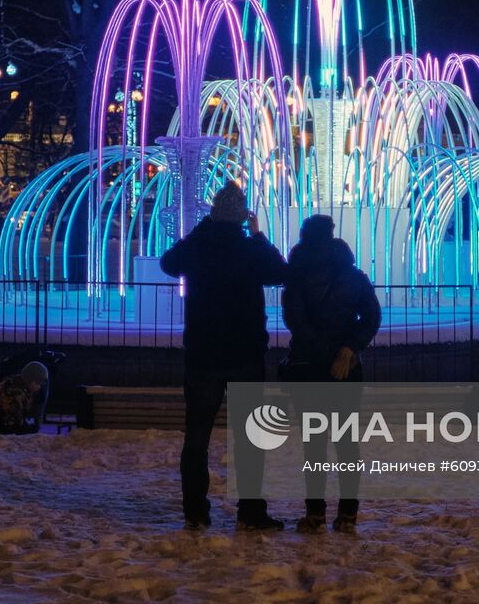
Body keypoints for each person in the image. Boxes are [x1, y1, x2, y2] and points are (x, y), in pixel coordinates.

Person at [160, 182, 288, 532]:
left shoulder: (199, 247)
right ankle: (250, 511)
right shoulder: (249, 248)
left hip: (203, 355)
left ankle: (196, 512)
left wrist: (204, 227)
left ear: (214, 214)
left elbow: (168, 262)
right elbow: (280, 272)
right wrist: (259, 236)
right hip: (245, 354)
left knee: (197, 437)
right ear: (243, 217)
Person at [281, 214, 381, 534]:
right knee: (347, 443)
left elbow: (295, 321)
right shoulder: (352, 274)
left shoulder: (297, 276)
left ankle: (315, 515)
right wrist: (348, 349)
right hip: (346, 371)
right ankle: (348, 515)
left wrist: (321, 353)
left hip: (309, 368)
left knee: (315, 445)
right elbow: (372, 316)